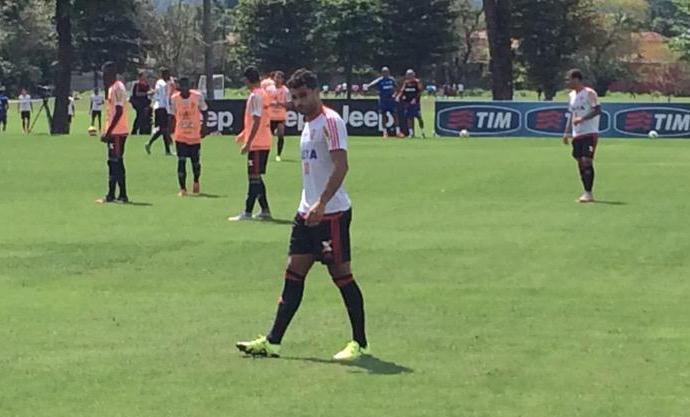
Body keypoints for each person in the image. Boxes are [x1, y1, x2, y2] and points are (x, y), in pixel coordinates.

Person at [236, 69, 368, 361]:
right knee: (293, 274)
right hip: (305, 216)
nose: (299, 102)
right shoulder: (307, 125)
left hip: (331, 215)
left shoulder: (331, 122)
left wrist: (321, 204)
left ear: (316, 91)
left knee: (342, 276)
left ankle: (360, 342)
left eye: (303, 96)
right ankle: (273, 342)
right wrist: (308, 206)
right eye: (295, 98)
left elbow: (341, 165)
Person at [229, 67, 273, 221]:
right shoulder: (264, 94)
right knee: (257, 177)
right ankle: (265, 210)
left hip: (257, 144)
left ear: (248, 80)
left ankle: (247, 212)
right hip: (265, 140)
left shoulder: (255, 96)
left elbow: (257, 120)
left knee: (253, 178)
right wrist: (244, 133)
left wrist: (248, 142)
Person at [563, 69, 601, 204]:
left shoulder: (589, 93)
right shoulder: (571, 95)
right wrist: (567, 131)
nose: (567, 82)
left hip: (590, 132)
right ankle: (585, 192)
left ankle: (589, 193)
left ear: (577, 79)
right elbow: (572, 114)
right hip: (577, 134)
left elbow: (597, 110)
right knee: (580, 161)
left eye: (569, 79)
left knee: (586, 160)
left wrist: (582, 119)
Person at [96, 61, 130, 204]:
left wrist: (108, 132)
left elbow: (119, 111)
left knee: (116, 163)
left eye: (105, 74)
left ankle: (120, 195)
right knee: (114, 162)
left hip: (117, 132)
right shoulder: (114, 87)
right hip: (115, 132)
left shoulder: (116, 88)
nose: (103, 77)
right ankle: (113, 194)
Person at [170, 77, 208, 196]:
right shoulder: (174, 98)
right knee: (181, 161)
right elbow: (172, 115)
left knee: (195, 162)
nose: (185, 88)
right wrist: (170, 130)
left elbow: (205, 111)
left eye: (187, 86)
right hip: (180, 135)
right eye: (182, 86)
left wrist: (204, 126)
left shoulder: (197, 96)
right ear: (179, 87)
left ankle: (196, 181)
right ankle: (182, 189)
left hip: (194, 135)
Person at [145, 68, 174, 156]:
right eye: (168, 74)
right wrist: (168, 110)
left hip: (161, 107)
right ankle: (149, 143)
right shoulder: (162, 83)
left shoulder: (161, 83)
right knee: (163, 129)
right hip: (162, 107)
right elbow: (164, 97)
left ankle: (167, 150)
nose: (169, 76)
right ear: (164, 75)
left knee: (163, 129)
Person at [366, 66, 399, 138]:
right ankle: (385, 132)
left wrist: (395, 95)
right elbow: (370, 86)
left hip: (391, 100)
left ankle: (398, 132)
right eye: (384, 72)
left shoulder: (391, 80)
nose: (385, 73)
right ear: (382, 73)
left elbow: (397, 88)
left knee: (395, 115)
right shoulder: (380, 80)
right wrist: (376, 92)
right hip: (383, 101)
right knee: (383, 116)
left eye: (387, 72)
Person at [266, 70, 292, 162]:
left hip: (280, 117)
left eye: (279, 78)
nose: (277, 79)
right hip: (270, 116)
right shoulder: (269, 89)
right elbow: (264, 101)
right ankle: (265, 153)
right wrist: (270, 103)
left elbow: (289, 105)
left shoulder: (285, 91)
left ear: (282, 80)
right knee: (268, 137)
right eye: (276, 77)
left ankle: (278, 155)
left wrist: (280, 104)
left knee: (281, 134)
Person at [398, 69, 425, 138]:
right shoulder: (406, 83)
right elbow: (402, 90)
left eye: (410, 74)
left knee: (419, 117)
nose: (409, 76)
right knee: (409, 118)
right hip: (407, 103)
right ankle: (411, 133)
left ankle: (422, 131)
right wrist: (398, 96)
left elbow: (420, 91)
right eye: (408, 74)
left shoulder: (417, 82)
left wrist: (415, 99)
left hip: (415, 104)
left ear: (413, 75)